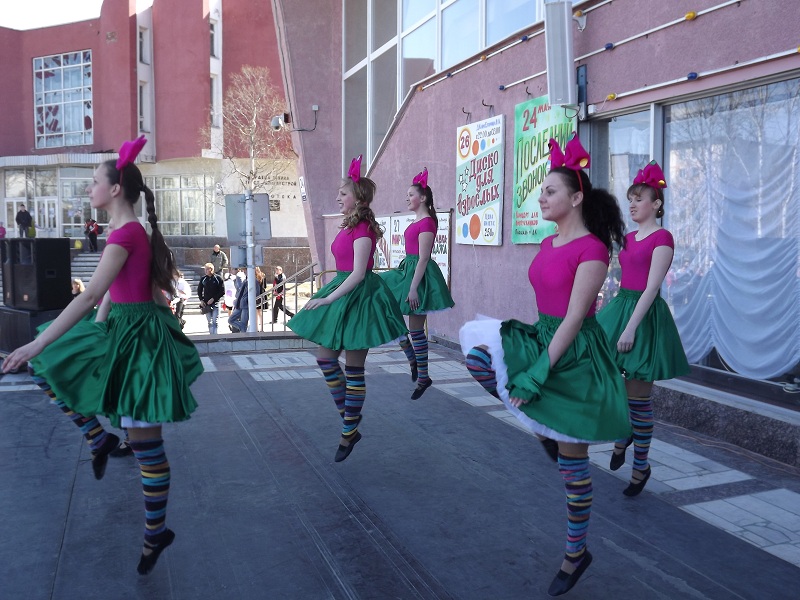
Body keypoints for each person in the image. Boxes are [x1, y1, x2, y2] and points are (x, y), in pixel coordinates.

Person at [2, 135, 203, 576]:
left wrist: (39, 340)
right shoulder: (129, 231)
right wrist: (95, 329)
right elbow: (116, 289)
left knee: (147, 447)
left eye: (94, 182)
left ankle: (155, 533)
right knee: (49, 368)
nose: (88, 189)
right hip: (126, 331)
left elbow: (91, 292)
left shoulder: (127, 233)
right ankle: (98, 439)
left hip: (138, 341)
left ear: (115, 190)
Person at [459, 135, 630, 596]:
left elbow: (576, 316)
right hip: (543, 334)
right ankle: (542, 428)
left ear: (576, 198)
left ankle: (576, 554)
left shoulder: (593, 249)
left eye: (549, 191)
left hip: (575, 353)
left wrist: (538, 371)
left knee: (573, 464)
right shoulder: (546, 242)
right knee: (478, 356)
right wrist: (531, 359)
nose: (541, 197)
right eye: (541, 192)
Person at [288, 155, 407, 462]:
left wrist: (328, 299)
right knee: (325, 359)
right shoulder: (349, 225)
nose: (337, 197)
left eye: (342, 193)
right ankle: (351, 420)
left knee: (353, 368)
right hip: (342, 292)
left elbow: (358, 273)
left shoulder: (364, 229)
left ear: (358, 198)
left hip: (360, 298)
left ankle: (348, 429)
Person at [597, 161, 690, 496]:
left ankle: (641, 467)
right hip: (621, 306)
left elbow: (652, 288)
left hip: (644, 317)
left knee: (638, 397)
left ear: (657, 204)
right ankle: (624, 435)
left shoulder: (663, 237)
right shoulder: (630, 237)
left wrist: (630, 329)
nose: (633, 204)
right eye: (631, 198)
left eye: (639, 198)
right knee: (605, 373)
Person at [380, 168, 454, 399]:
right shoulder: (418, 221)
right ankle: (413, 359)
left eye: (411, 194)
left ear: (423, 198)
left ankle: (423, 376)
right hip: (407, 270)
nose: (407, 198)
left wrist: (413, 287)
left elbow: (423, 257)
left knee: (416, 329)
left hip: (418, 276)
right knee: (380, 298)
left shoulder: (428, 223)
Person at [197, 262, 224, 334]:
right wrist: (201, 300)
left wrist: (214, 298)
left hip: (215, 302)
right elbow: (199, 290)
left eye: (207, 269)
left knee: (215, 320)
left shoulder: (218, 278)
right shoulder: (203, 279)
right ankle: (211, 335)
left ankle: (215, 335)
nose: (205, 271)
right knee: (209, 321)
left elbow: (222, 291)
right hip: (206, 304)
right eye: (205, 269)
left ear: (211, 270)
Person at [228, 269, 249, 333]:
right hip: (240, 302)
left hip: (243, 303)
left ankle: (243, 330)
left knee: (242, 322)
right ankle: (243, 328)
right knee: (231, 320)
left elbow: (240, 289)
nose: (231, 270)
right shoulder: (244, 278)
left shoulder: (238, 276)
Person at [254, 266, 267, 331]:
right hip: (262, 295)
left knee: (256, 313)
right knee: (260, 313)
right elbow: (265, 286)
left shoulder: (253, 277)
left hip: (256, 295)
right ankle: (262, 328)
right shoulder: (263, 275)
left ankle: (256, 328)